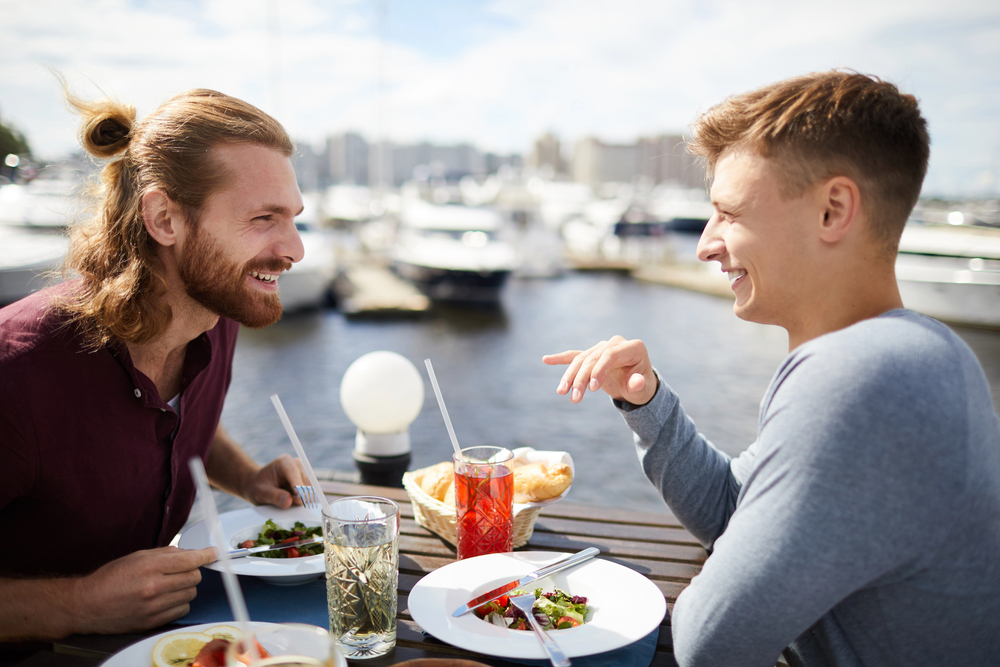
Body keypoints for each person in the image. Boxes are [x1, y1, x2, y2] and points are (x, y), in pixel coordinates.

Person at [544, 70, 1000, 666]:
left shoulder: (859, 378)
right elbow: (739, 510)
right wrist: (646, 402)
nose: (706, 244)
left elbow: (709, 644)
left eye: (729, 213)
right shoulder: (925, 349)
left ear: (834, 210)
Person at [0, 85, 312, 640]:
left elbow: (173, 418)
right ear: (165, 219)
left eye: (293, 218)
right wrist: (78, 604)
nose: (294, 248)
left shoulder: (221, 309)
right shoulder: (18, 376)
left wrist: (247, 478)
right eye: (264, 217)